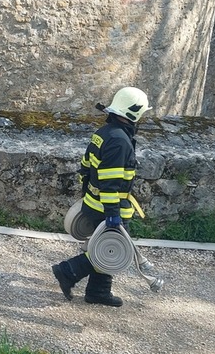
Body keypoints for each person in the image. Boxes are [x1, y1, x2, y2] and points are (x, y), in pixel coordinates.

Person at [51, 86, 151, 308]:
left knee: (108, 246)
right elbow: (110, 182)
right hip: (108, 207)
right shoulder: (119, 141)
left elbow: (85, 167)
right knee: (111, 249)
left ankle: (98, 292)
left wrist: (88, 197)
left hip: (94, 204)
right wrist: (112, 214)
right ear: (134, 113)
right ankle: (67, 271)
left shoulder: (104, 133)